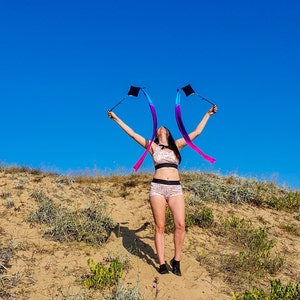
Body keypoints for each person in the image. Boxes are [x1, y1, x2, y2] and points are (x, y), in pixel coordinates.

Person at [107, 104, 217, 276]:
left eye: (163, 128)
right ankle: (161, 263)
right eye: (158, 128)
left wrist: (208, 114)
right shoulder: (152, 146)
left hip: (175, 189)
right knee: (160, 226)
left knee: (180, 224)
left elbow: (196, 132)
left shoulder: (177, 145)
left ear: (168, 132)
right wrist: (116, 119)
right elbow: (132, 133)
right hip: (157, 187)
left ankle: (177, 260)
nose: (160, 128)